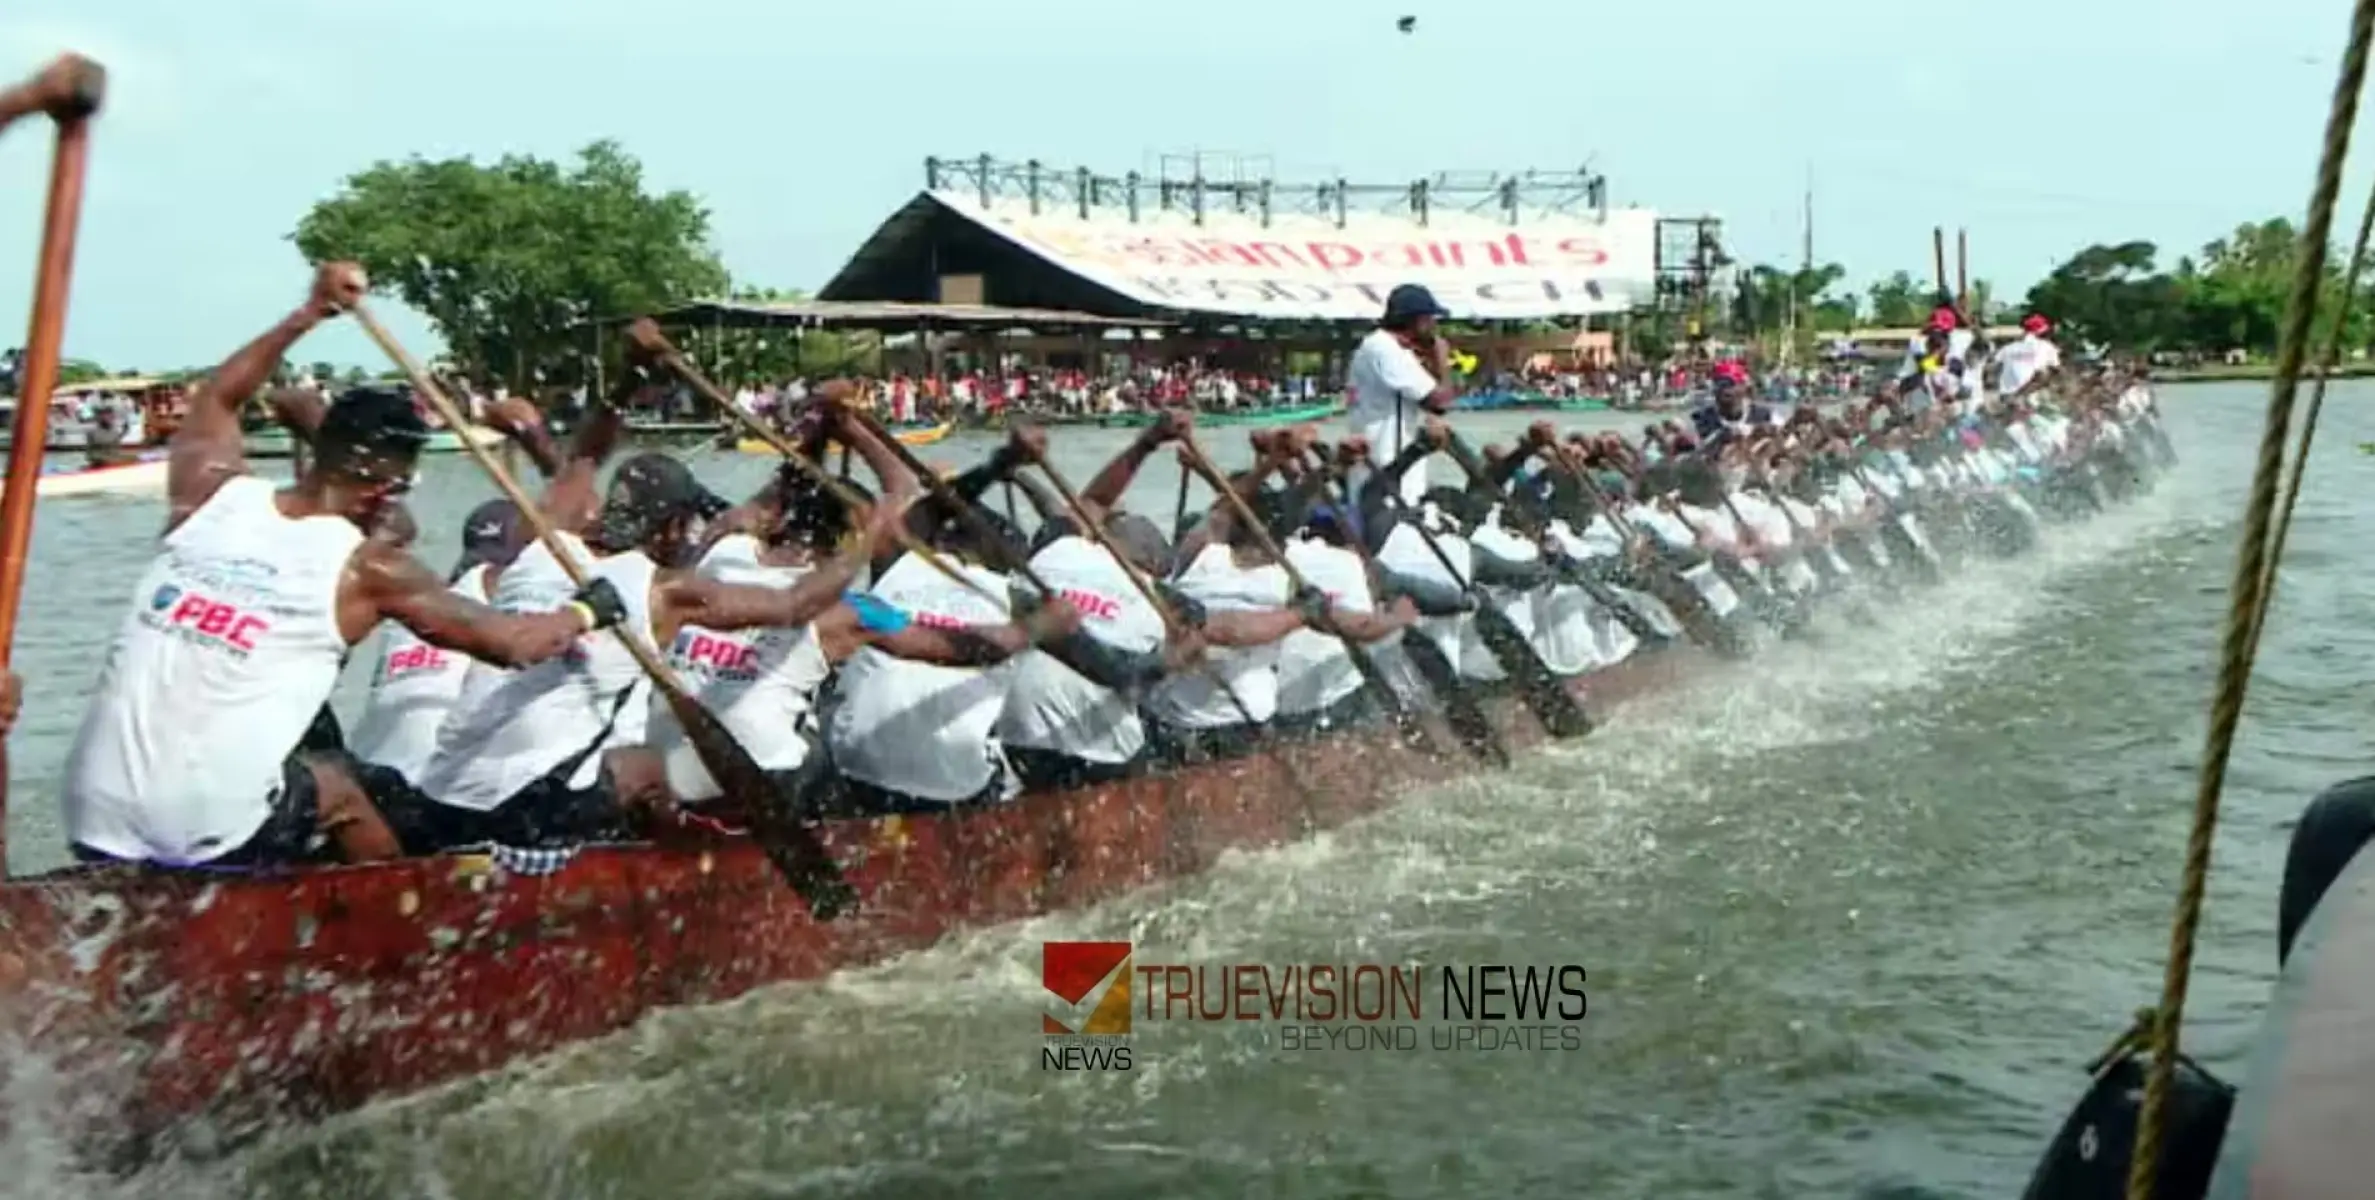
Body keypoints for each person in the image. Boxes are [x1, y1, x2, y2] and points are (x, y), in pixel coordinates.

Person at [60, 263, 620, 870]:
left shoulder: (208, 499)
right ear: (387, 489)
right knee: (337, 786)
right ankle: (403, 935)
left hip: (91, 815)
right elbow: (513, 643)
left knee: (322, 751)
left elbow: (220, 395)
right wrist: (587, 610)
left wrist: (310, 312)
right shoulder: (369, 570)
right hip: (194, 832)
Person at [1347, 283, 1459, 504]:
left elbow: (1431, 402)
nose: (1434, 326)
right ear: (1416, 320)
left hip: (1385, 464)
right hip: (1388, 468)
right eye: (1430, 319)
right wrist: (1442, 359)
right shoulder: (1386, 349)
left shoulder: (1378, 346)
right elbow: (1440, 402)